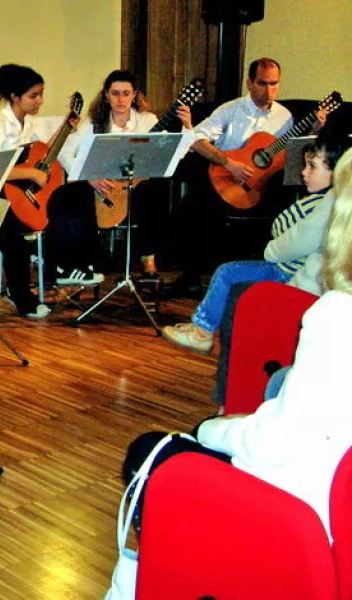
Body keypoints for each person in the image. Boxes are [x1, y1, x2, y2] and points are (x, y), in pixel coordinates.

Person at [123, 144, 352, 539]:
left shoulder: (335, 316)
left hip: (309, 517)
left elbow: (277, 445)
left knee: (149, 452)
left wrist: (215, 429)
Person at [163, 132, 348, 355]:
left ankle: (202, 331)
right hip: (301, 270)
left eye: (312, 167)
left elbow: (284, 232)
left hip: (285, 270)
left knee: (227, 272)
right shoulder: (332, 202)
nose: (303, 172)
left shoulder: (318, 205)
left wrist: (271, 248)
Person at [173, 57, 327, 293]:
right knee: (195, 203)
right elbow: (196, 139)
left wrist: (315, 131)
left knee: (283, 203)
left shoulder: (284, 116)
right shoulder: (231, 110)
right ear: (250, 82)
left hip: (261, 188)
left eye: (274, 84)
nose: (269, 90)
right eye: (263, 83)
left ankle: (262, 279)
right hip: (225, 180)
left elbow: (288, 153)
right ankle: (192, 277)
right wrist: (229, 162)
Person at [57, 69, 193, 280]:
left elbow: (175, 153)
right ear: (106, 95)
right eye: (115, 93)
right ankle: (89, 260)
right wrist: (89, 178)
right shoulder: (94, 124)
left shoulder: (147, 121)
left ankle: (149, 259)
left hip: (139, 188)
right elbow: (64, 153)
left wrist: (187, 127)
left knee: (154, 191)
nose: (120, 99)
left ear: (134, 95)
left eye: (126, 93)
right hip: (107, 188)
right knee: (73, 195)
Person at [0, 63, 73, 318]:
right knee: (14, 238)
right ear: (14, 96)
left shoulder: (29, 123)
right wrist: (30, 174)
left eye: (41, 94)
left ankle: (68, 268)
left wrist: (66, 128)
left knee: (63, 207)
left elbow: (42, 153)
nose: (39, 101)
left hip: (19, 195)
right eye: (34, 95)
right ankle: (20, 295)